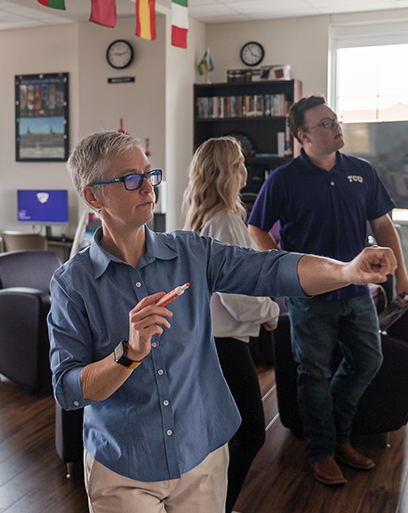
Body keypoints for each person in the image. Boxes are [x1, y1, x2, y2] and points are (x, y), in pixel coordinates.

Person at [48, 130, 396, 513]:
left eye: (150, 174)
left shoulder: (191, 252)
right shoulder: (72, 283)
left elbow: (271, 269)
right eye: (131, 179)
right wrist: (128, 354)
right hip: (123, 466)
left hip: (203, 456)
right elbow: (69, 389)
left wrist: (347, 270)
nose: (148, 187)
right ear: (93, 196)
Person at [247, 94, 408, 487]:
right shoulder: (283, 179)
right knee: (313, 373)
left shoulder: (362, 171)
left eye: (335, 120)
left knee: (368, 360)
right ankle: (322, 450)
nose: (336, 127)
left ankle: (336, 434)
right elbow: (257, 228)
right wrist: (281, 274)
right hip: (310, 297)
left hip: (358, 292)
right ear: (302, 136)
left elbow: (384, 226)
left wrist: (402, 275)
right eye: (325, 123)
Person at [182, 136, 280, 512]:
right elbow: (238, 295)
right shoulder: (225, 221)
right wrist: (270, 313)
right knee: (251, 432)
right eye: (238, 163)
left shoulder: (203, 217)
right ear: (223, 172)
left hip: (209, 342)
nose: (245, 170)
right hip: (225, 344)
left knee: (219, 435)